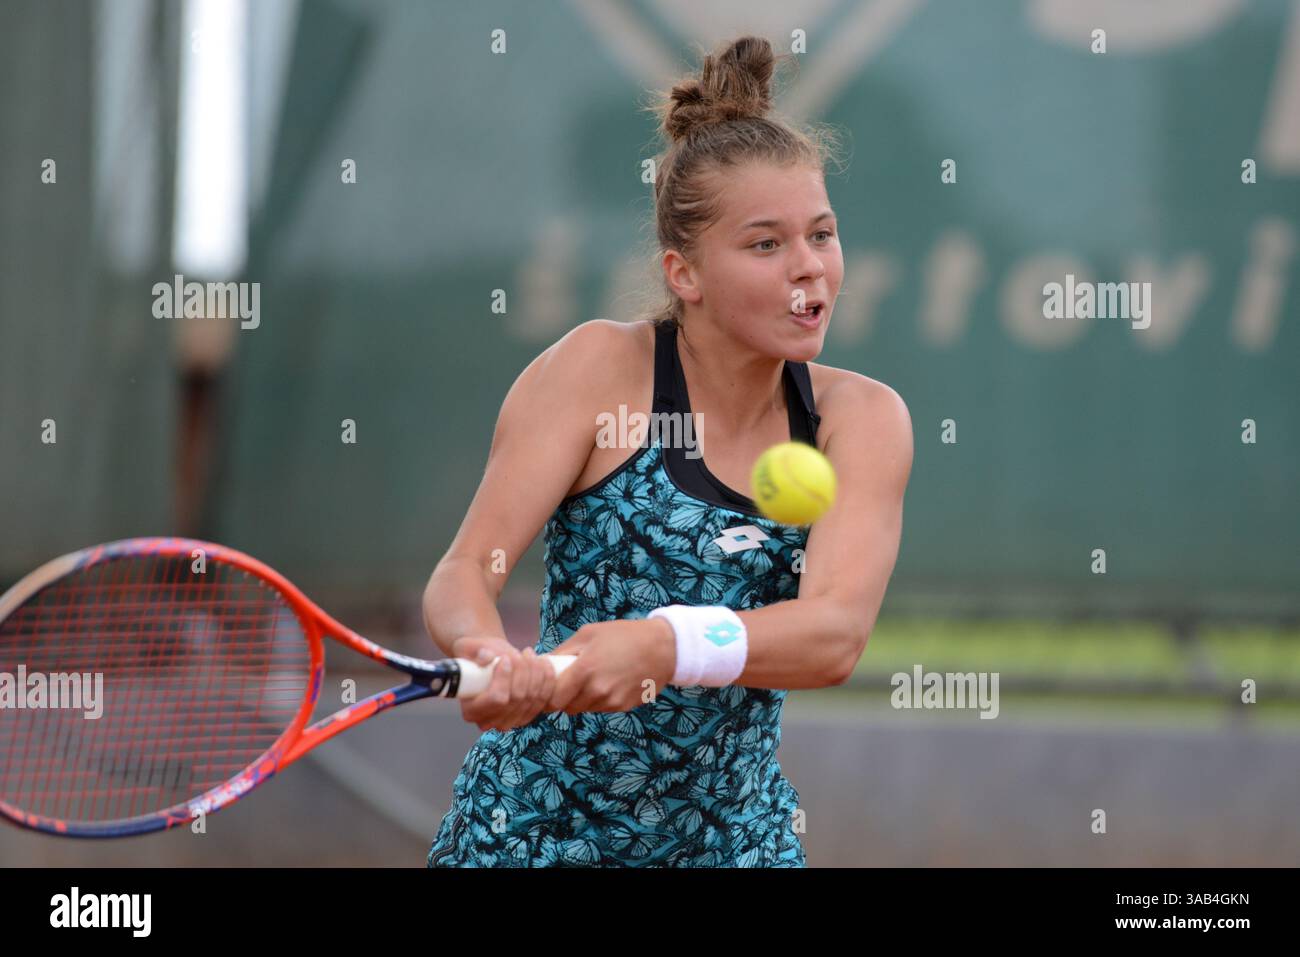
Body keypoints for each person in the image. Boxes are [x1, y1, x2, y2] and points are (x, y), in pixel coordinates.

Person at [424, 35, 912, 867]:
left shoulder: (860, 420)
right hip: (525, 837)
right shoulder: (594, 371)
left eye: (822, 235)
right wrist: (488, 653)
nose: (810, 271)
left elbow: (834, 637)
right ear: (684, 273)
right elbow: (468, 569)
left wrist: (663, 644)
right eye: (766, 245)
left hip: (737, 846)